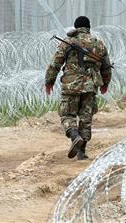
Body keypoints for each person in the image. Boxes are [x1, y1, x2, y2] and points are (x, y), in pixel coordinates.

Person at [44, 16, 112, 160]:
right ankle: (82, 152)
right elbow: (106, 67)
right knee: (86, 118)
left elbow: (55, 64)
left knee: (67, 114)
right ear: (89, 27)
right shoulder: (99, 44)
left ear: (75, 27)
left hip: (71, 85)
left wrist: (49, 82)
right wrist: (105, 84)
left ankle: (74, 135)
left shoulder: (68, 42)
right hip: (90, 87)